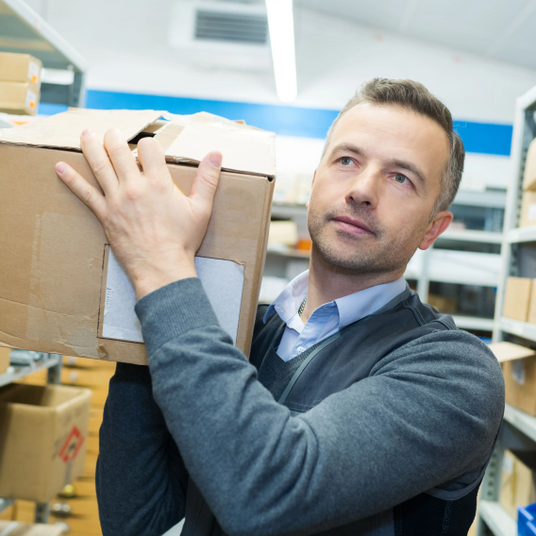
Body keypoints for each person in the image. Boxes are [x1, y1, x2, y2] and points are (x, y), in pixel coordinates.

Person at [55, 78, 504, 536]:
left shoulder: (456, 372)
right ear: (314, 183)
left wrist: (161, 267)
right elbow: (136, 520)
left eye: (401, 178)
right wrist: (144, 305)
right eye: (347, 160)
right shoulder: (242, 331)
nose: (363, 189)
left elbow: (267, 494)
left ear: (433, 228)